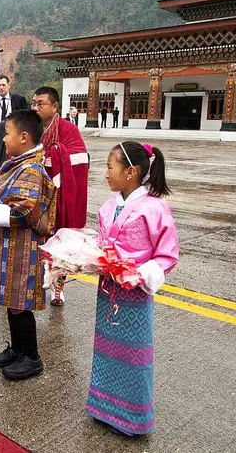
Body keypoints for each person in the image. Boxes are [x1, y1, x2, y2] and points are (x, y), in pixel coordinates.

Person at [88, 141, 179, 436]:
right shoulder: (107, 207)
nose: (105, 173)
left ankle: (132, 417)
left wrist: (140, 274)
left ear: (131, 172)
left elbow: (166, 254)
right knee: (106, 349)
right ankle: (104, 406)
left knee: (133, 354)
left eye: (109, 166)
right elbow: (103, 247)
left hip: (134, 295)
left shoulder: (155, 208)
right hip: (107, 292)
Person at [0, 109, 57, 381]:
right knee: (12, 299)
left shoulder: (31, 169)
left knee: (20, 301)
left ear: (24, 137)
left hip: (23, 247)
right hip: (11, 244)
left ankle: (31, 356)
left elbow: (26, 212)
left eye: (8, 134)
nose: (3, 140)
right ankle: (17, 349)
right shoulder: (18, 164)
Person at [32, 87, 89, 306]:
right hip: (36, 194)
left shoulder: (68, 129)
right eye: (34, 103)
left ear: (55, 106)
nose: (36, 108)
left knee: (60, 243)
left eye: (41, 103)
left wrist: (52, 157)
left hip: (59, 196)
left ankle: (58, 287)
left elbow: (79, 159)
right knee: (36, 241)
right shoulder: (31, 127)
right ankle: (36, 281)